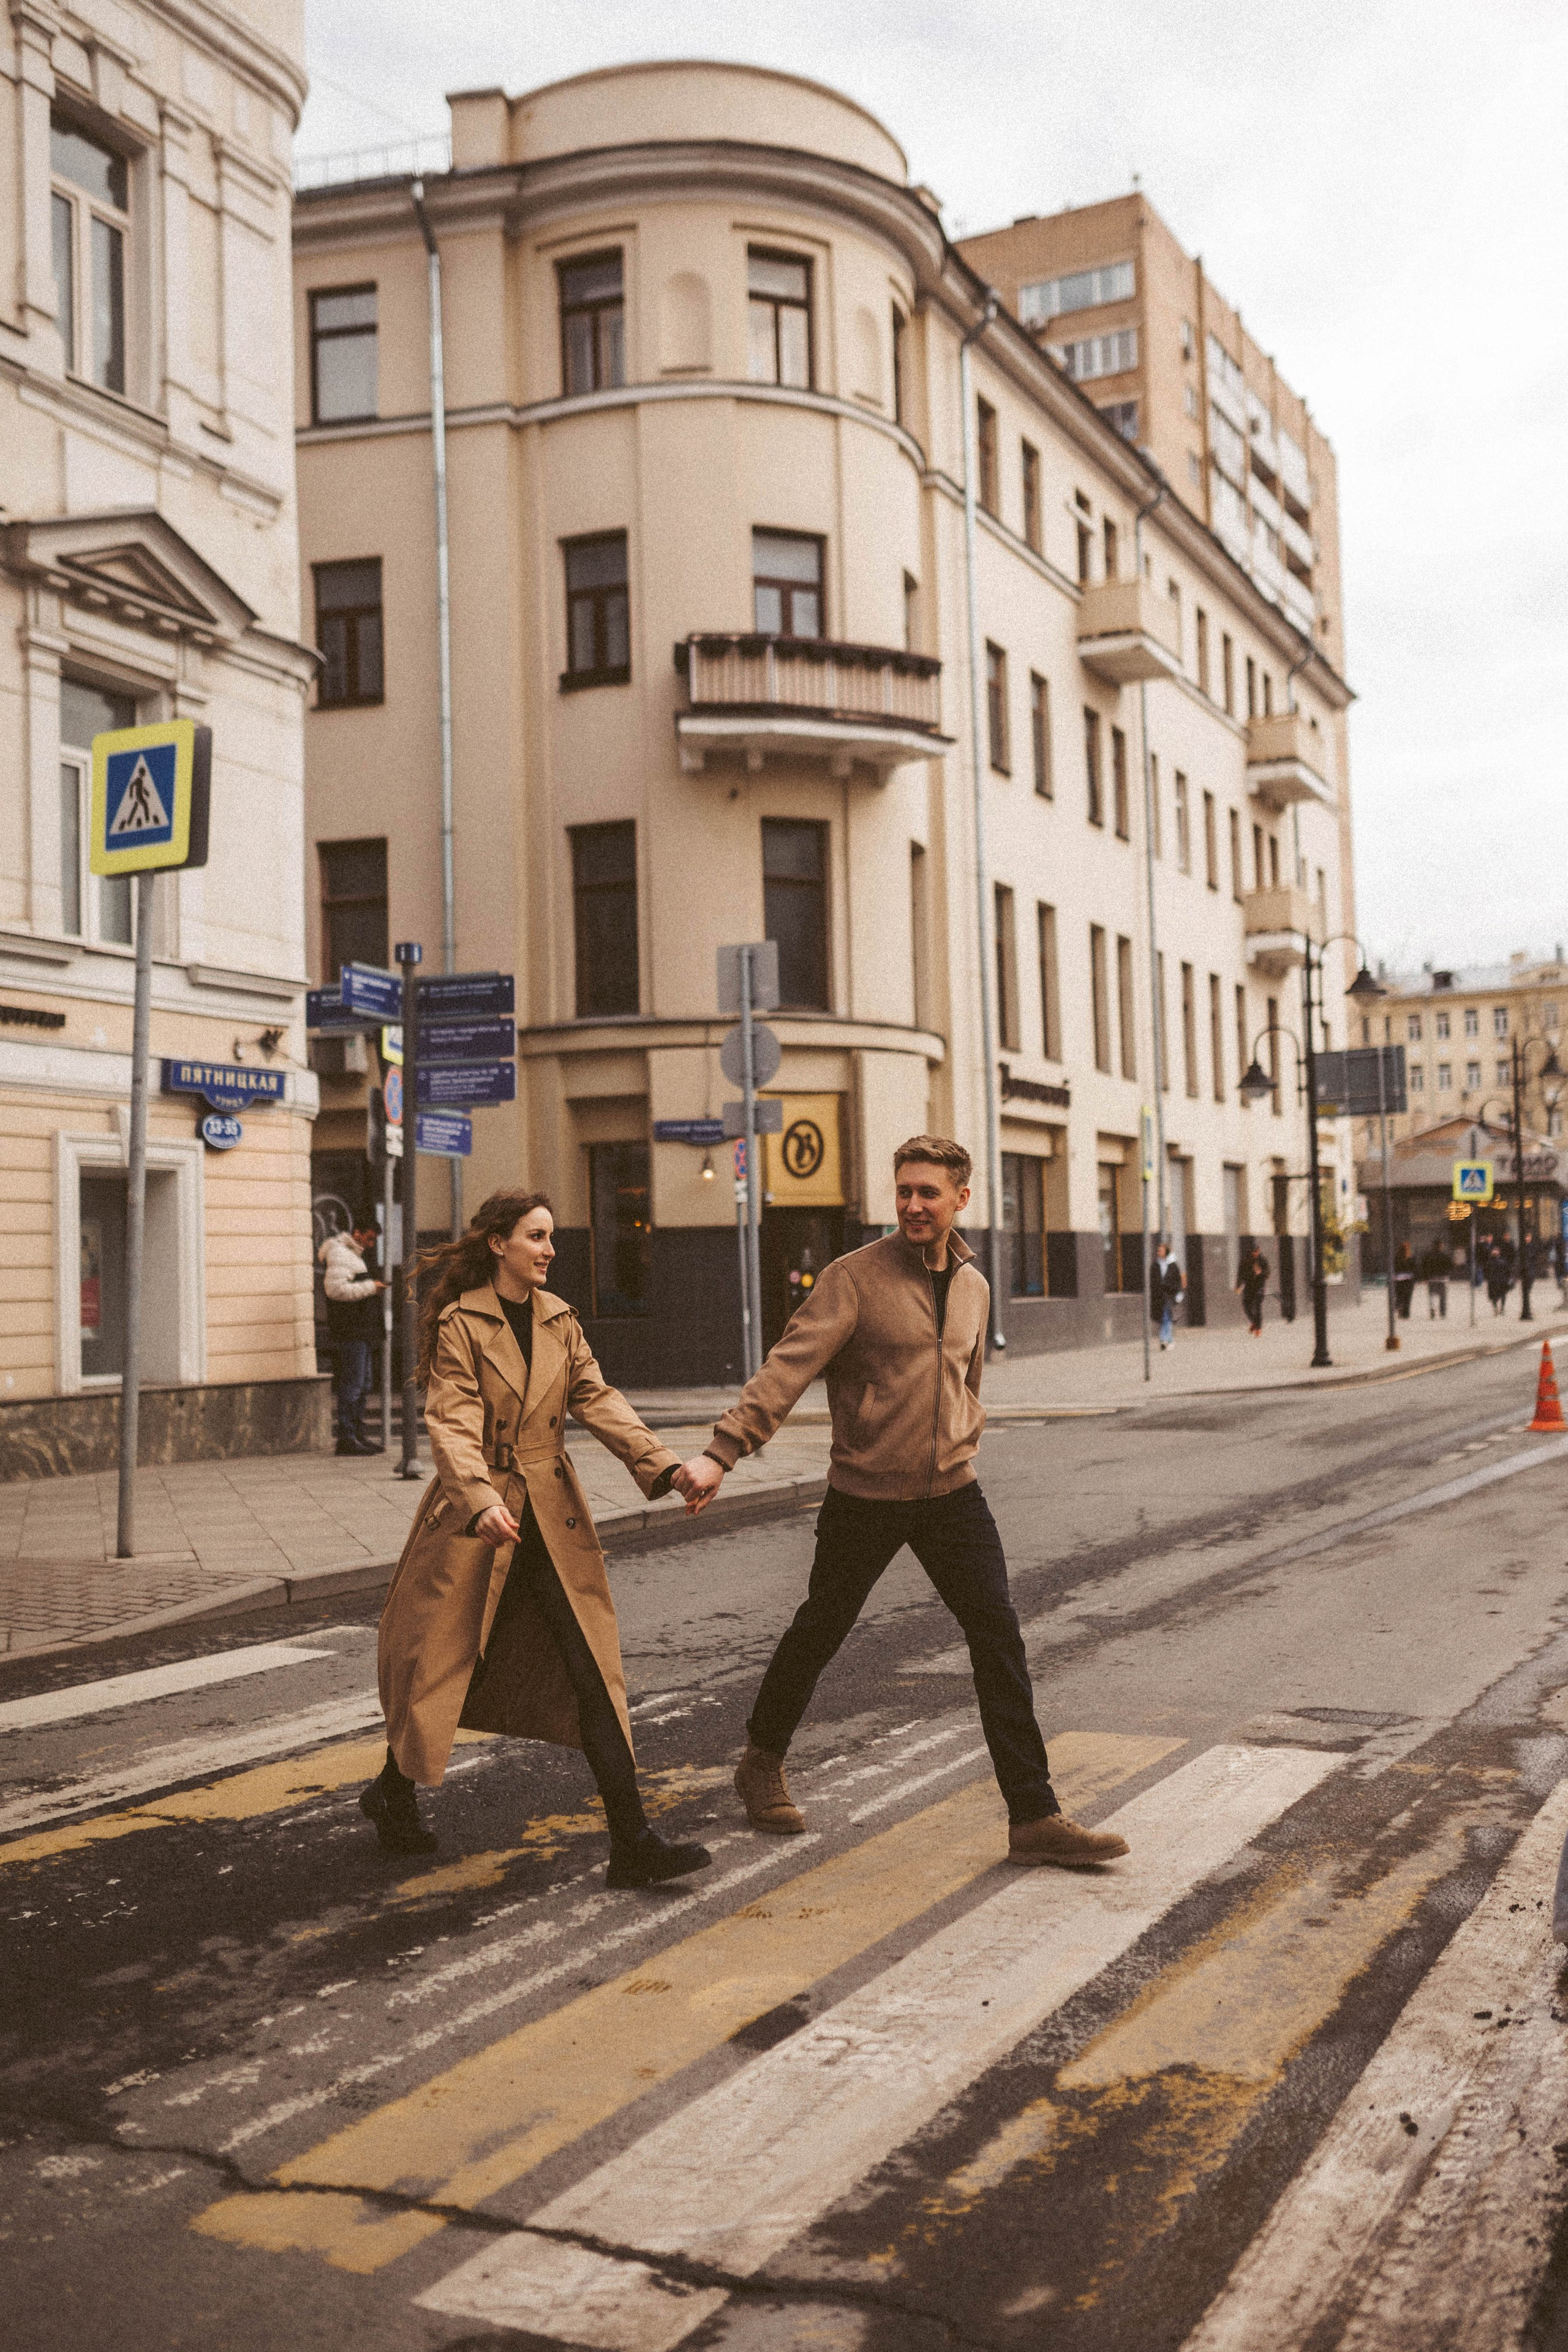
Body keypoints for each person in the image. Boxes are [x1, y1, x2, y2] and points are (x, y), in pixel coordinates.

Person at [672, 1136, 1129, 1871]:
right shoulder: (853, 1279)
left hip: (953, 1492)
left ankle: (1034, 1814)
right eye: (905, 1191)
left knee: (998, 1638)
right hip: (867, 1493)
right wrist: (721, 1452)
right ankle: (761, 1760)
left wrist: (961, 1435)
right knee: (822, 1627)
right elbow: (784, 1370)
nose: (914, 1205)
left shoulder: (975, 1287)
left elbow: (968, 1382)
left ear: (960, 1199)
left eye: (929, 1193)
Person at [361, 1188, 712, 1890]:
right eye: (536, 1236)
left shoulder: (559, 1320)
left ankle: (632, 1842)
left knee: (593, 1672)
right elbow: (451, 1422)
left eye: (551, 1236)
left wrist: (665, 1466)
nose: (550, 1249)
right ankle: (392, 1790)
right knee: (450, 1665)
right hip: (477, 1524)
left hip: (550, 1519)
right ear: (499, 1244)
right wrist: (481, 1500)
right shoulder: (463, 1324)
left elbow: (598, 1399)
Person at [319, 1224, 385, 1455]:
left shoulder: (352, 1255)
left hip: (360, 1331)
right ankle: (347, 1437)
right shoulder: (340, 1253)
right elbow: (335, 1290)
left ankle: (356, 1434)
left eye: (374, 1239)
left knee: (363, 1384)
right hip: (351, 1331)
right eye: (368, 1237)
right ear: (357, 1233)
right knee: (354, 1384)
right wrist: (370, 1287)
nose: (371, 1243)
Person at [1150, 1237, 1185, 1350]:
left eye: (1161, 1250)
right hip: (1159, 1297)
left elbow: (1178, 1281)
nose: (1158, 1252)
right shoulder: (1155, 1266)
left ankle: (1164, 1340)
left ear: (1166, 1252)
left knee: (1165, 1317)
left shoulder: (1173, 1266)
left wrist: (1179, 1294)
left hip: (1169, 1296)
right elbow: (1153, 1282)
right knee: (1166, 1319)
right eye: (1158, 1251)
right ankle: (1170, 1341)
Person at [1236, 1240, 1270, 1336]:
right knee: (1246, 1305)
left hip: (1260, 1286)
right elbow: (1240, 1274)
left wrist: (1261, 1273)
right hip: (1249, 1286)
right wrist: (1238, 1286)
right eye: (1253, 1252)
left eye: (1256, 1251)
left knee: (1258, 1306)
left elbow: (1268, 1273)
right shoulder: (1245, 1261)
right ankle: (1254, 1322)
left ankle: (1258, 1328)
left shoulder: (1262, 1261)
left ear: (1259, 1251)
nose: (1255, 1253)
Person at [1419, 1237, 1451, 1320]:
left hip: (1431, 1278)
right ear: (1441, 1246)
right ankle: (1443, 1312)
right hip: (1442, 1278)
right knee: (1443, 1296)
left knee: (1432, 1294)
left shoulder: (1428, 1256)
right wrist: (1447, 1274)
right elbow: (1450, 1266)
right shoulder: (1445, 1255)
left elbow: (1424, 1267)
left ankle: (1433, 1308)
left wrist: (1425, 1278)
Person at [1392, 1238, 1417, 1321]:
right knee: (1408, 1297)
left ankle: (1399, 1306)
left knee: (1399, 1296)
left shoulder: (1396, 1258)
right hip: (1409, 1280)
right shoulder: (1411, 1258)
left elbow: (1394, 1268)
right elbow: (1415, 1269)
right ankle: (1406, 1314)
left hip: (1398, 1279)